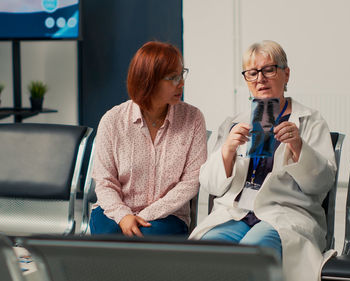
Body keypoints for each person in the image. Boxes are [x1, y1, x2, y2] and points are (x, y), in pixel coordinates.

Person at [189, 40, 336, 281]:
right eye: (252, 73)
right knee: (208, 252)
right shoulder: (234, 123)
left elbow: (321, 184)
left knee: (251, 253)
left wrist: (299, 146)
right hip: (235, 213)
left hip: (283, 214)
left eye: (269, 70)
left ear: (286, 74)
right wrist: (227, 150)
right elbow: (211, 185)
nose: (260, 79)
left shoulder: (309, 121)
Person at [90, 41, 207, 237]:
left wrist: (144, 216)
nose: (182, 83)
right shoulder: (113, 120)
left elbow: (191, 182)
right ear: (148, 81)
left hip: (167, 216)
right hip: (113, 212)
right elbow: (104, 181)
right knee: (110, 235)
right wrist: (124, 216)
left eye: (182, 74)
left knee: (148, 237)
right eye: (173, 78)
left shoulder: (193, 119)